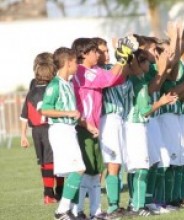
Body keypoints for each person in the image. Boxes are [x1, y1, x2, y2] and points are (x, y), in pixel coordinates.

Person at [71, 36, 137, 219]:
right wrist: (122, 58)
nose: (100, 54)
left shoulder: (93, 71)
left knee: (94, 171)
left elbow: (116, 78)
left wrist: (125, 59)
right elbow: (109, 79)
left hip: (93, 125)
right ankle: (74, 210)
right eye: (97, 51)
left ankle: (94, 210)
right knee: (84, 170)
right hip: (84, 126)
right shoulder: (84, 71)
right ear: (84, 54)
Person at [124, 49, 177, 216]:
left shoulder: (141, 80)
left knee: (152, 163)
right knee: (140, 168)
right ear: (138, 64)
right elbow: (144, 111)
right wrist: (160, 102)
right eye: (146, 61)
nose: (150, 63)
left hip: (143, 126)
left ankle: (146, 202)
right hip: (135, 126)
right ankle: (137, 206)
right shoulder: (137, 83)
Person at [40, 47, 84, 220]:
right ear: (67, 63)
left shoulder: (69, 83)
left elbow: (69, 110)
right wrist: (68, 114)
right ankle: (61, 211)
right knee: (78, 169)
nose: (78, 65)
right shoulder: (55, 84)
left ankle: (71, 212)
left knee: (76, 170)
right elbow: (45, 110)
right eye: (75, 62)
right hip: (60, 131)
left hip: (69, 130)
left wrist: (84, 123)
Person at [20, 52, 64, 204]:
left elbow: (24, 115)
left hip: (36, 131)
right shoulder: (54, 88)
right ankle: (59, 192)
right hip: (50, 127)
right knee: (57, 160)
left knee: (45, 162)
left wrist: (23, 135)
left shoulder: (31, 91)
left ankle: (48, 193)